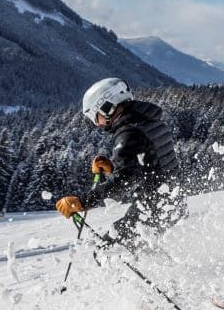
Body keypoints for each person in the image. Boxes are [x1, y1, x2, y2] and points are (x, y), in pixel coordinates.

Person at [54, 77, 186, 248]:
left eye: (96, 117)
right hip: (171, 203)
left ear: (106, 107)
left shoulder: (130, 132)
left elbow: (125, 180)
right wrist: (113, 167)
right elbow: (146, 163)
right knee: (147, 253)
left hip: (153, 208)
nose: (97, 124)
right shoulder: (148, 121)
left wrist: (83, 202)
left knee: (108, 251)